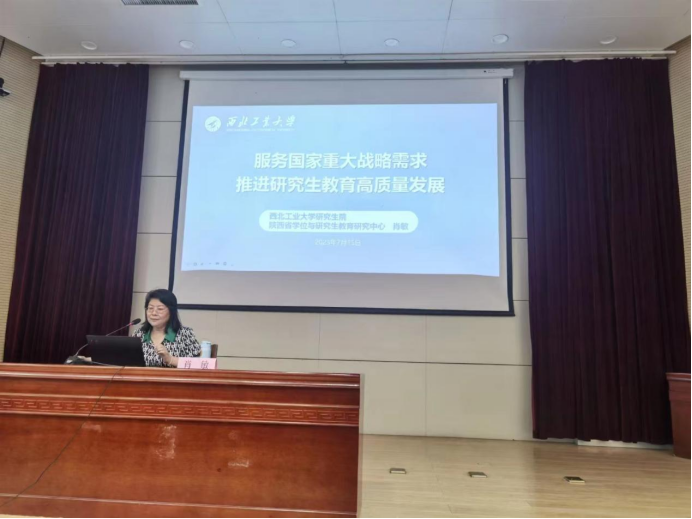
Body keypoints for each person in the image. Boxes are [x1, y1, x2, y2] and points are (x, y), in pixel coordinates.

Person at [133, 289, 201, 368]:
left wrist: (170, 359)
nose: (154, 313)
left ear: (171, 311)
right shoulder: (138, 334)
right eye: (150, 308)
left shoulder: (185, 334)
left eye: (160, 309)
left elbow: (198, 364)